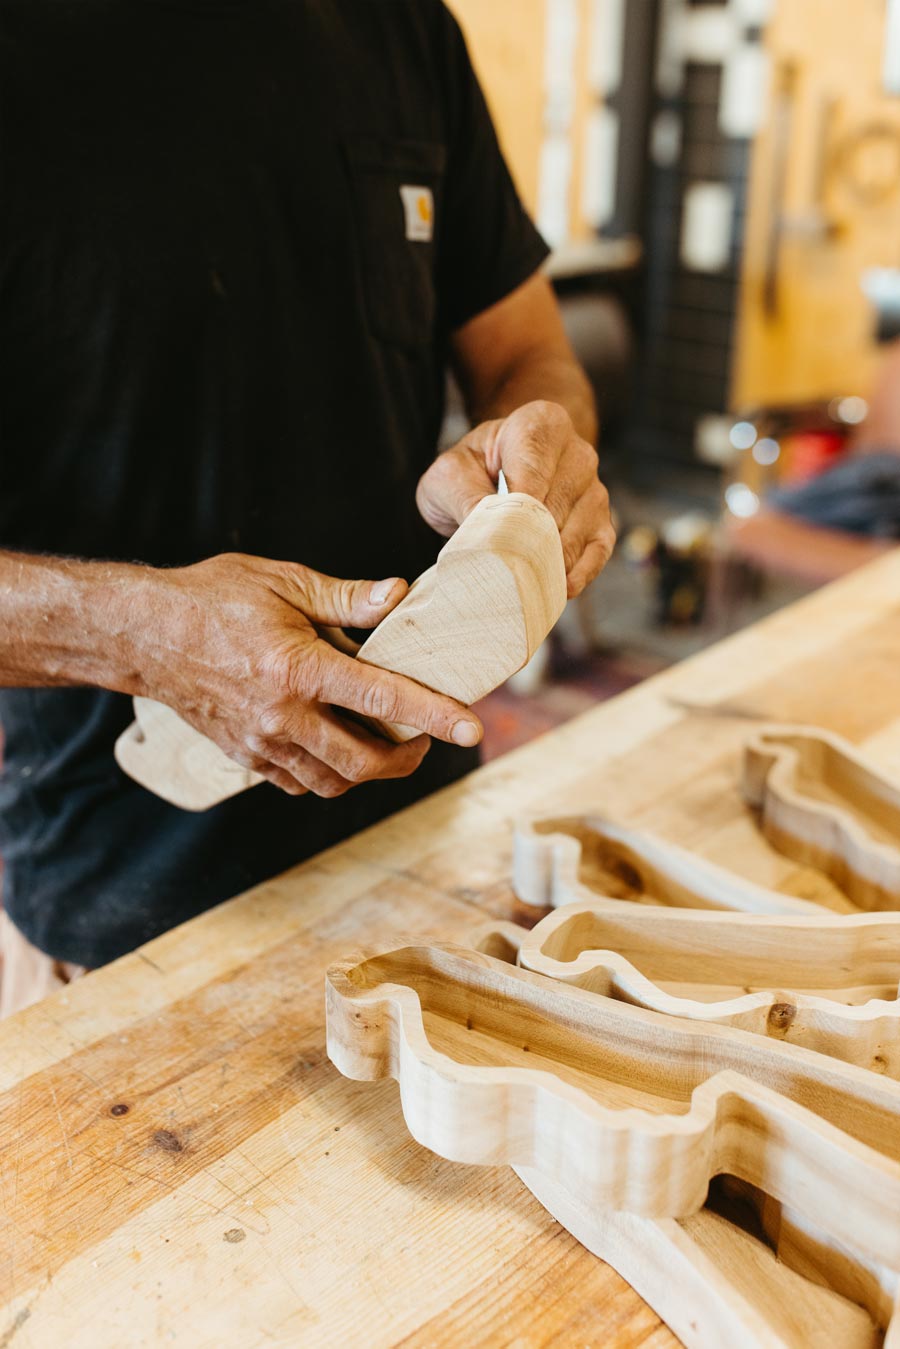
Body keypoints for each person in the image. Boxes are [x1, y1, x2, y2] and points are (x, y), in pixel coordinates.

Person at [0, 0, 614, 1014]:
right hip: (120, 920)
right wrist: (143, 635)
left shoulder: (403, 27)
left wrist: (541, 438)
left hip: (420, 844)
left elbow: (527, 352)